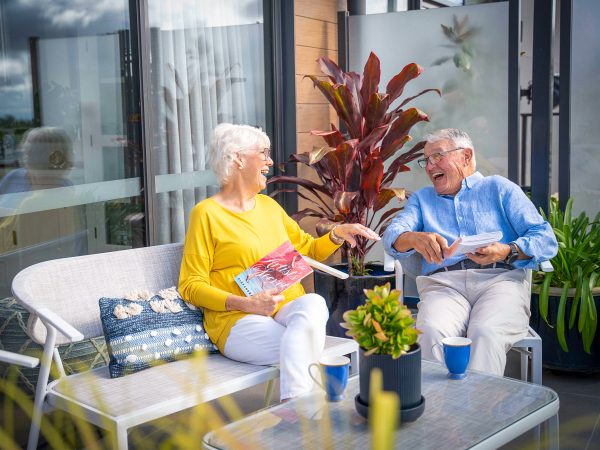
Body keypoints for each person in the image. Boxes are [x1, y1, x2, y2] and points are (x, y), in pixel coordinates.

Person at [178, 123, 380, 400]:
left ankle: (295, 407)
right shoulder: (206, 214)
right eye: (263, 153)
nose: (270, 161)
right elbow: (190, 285)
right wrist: (246, 303)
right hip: (238, 320)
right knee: (303, 343)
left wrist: (337, 234)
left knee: (314, 303)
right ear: (238, 158)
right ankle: (303, 408)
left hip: (287, 312)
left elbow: (308, 249)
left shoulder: (270, 207)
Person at [383, 128, 558, 376]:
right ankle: (437, 413)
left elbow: (545, 238)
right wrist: (412, 237)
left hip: (500, 281)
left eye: (437, 157)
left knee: (485, 331)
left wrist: (507, 251)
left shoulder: (500, 188)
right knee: (431, 330)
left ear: (466, 156)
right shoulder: (422, 200)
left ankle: (478, 413)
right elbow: (392, 235)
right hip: (444, 285)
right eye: (426, 160)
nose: (430, 167)